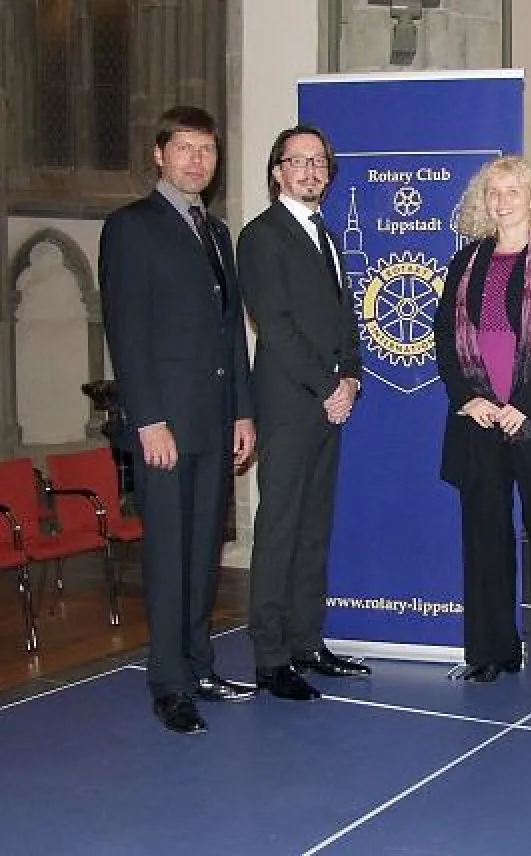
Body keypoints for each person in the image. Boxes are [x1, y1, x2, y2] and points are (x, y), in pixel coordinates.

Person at [99, 105, 257, 734]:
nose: (197, 160)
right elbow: (127, 331)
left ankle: (199, 663)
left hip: (214, 421)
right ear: (160, 155)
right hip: (165, 425)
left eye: (207, 151)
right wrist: (149, 419)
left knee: (203, 553)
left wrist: (243, 411)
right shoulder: (132, 227)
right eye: (185, 148)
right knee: (168, 555)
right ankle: (169, 683)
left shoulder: (215, 232)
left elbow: (229, 335)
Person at [433, 156, 531, 693]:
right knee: (484, 535)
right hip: (479, 419)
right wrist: (468, 398)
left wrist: (525, 403)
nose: (502, 201)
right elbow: (445, 339)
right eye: (493, 192)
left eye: (513, 191)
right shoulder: (465, 262)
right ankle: (491, 649)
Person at [238, 125, 371, 702]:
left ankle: (306, 642)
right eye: (299, 161)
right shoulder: (262, 236)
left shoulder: (327, 234)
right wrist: (327, 386)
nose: (311, 171)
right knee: (280, 531)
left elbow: (345, 321)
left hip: (328, 404)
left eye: (319, 162)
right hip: (292, 406)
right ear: (277, 173)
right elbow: (278, 326)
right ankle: (270, 658)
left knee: (314, 529)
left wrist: (352, 379)